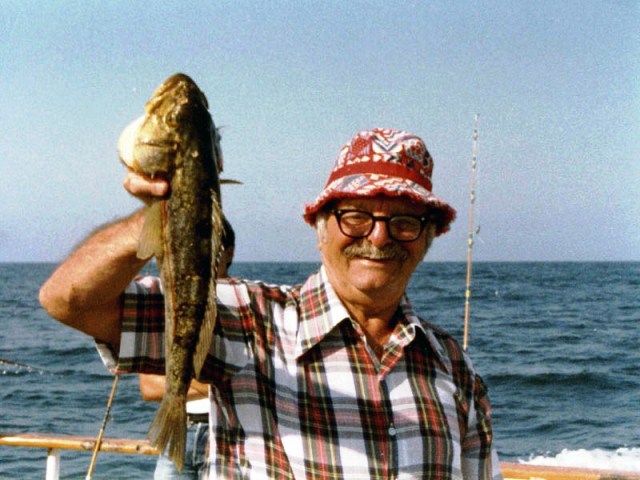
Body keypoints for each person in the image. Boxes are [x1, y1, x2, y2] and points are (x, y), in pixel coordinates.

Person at [40, 127, 502, 479]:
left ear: (428, 238)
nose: (378, 237)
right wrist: (161, 214)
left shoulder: (455, 369)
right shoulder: (246, 318)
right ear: (319, 228)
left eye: (404, 221)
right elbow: (70, 301)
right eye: (355, 217)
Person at [138, 217, 235, 479]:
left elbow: (248, 384)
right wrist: (212, 383)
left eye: (210, 245)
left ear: (229, 252)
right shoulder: (170, 306)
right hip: (179, 431)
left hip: (229, 437)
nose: (199, 255)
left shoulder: (245, 308)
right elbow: (149, 387)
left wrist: (177, 384)